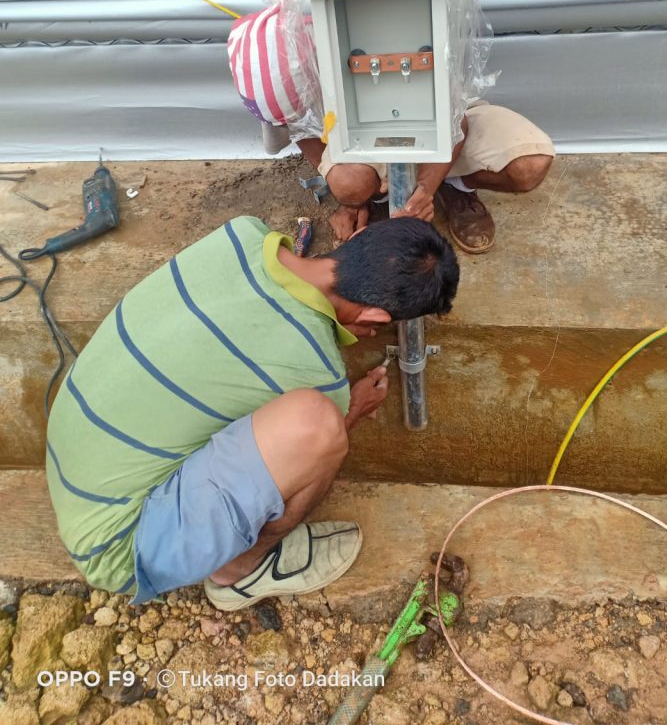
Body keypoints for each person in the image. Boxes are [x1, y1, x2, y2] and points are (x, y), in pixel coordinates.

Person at [46, 216, 458, 611]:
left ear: (357, 238)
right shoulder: (317, 371)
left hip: (73, 457)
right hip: (120, 545)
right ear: (375, 318)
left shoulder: (241, 235)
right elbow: (310, 446)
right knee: (320, 426)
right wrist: (353, 408)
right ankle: (238, 570)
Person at [297, 103, 555, 252]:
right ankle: (378, 198)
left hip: (449, 113)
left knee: (529, 166)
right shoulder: (288, 45)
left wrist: (427, 187)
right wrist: (350, 198)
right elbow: (296, 124)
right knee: (350, 183)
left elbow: (456, 120)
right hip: (358, 126)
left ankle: (455, 184)